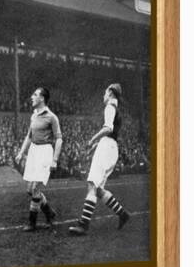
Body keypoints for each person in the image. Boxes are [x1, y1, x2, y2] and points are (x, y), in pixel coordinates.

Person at [68, 84, 130, 236]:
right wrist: (97, 144)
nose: (103, 95)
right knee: (99, 189)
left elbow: (108, 128)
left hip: (107, 148)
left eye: (105, 92)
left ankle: (83, 225)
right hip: (111, 147)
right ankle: (122, 214)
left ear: (110, 93)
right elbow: (111, 133)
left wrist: (92, 140)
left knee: (91, 184)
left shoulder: (110, 106)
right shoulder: (116, 108)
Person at [15, 87, 63, 232]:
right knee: (30, 190)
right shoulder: (34, 115)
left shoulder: (52, 117)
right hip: (34, 151)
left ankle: (32, 223)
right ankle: (49, 213)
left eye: (35, 94)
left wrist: (54, 160)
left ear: (42, 98)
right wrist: (21, 152)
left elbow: (59, 139)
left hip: (45, 152)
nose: (31, 97)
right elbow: (29, 136)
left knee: (35, 188)